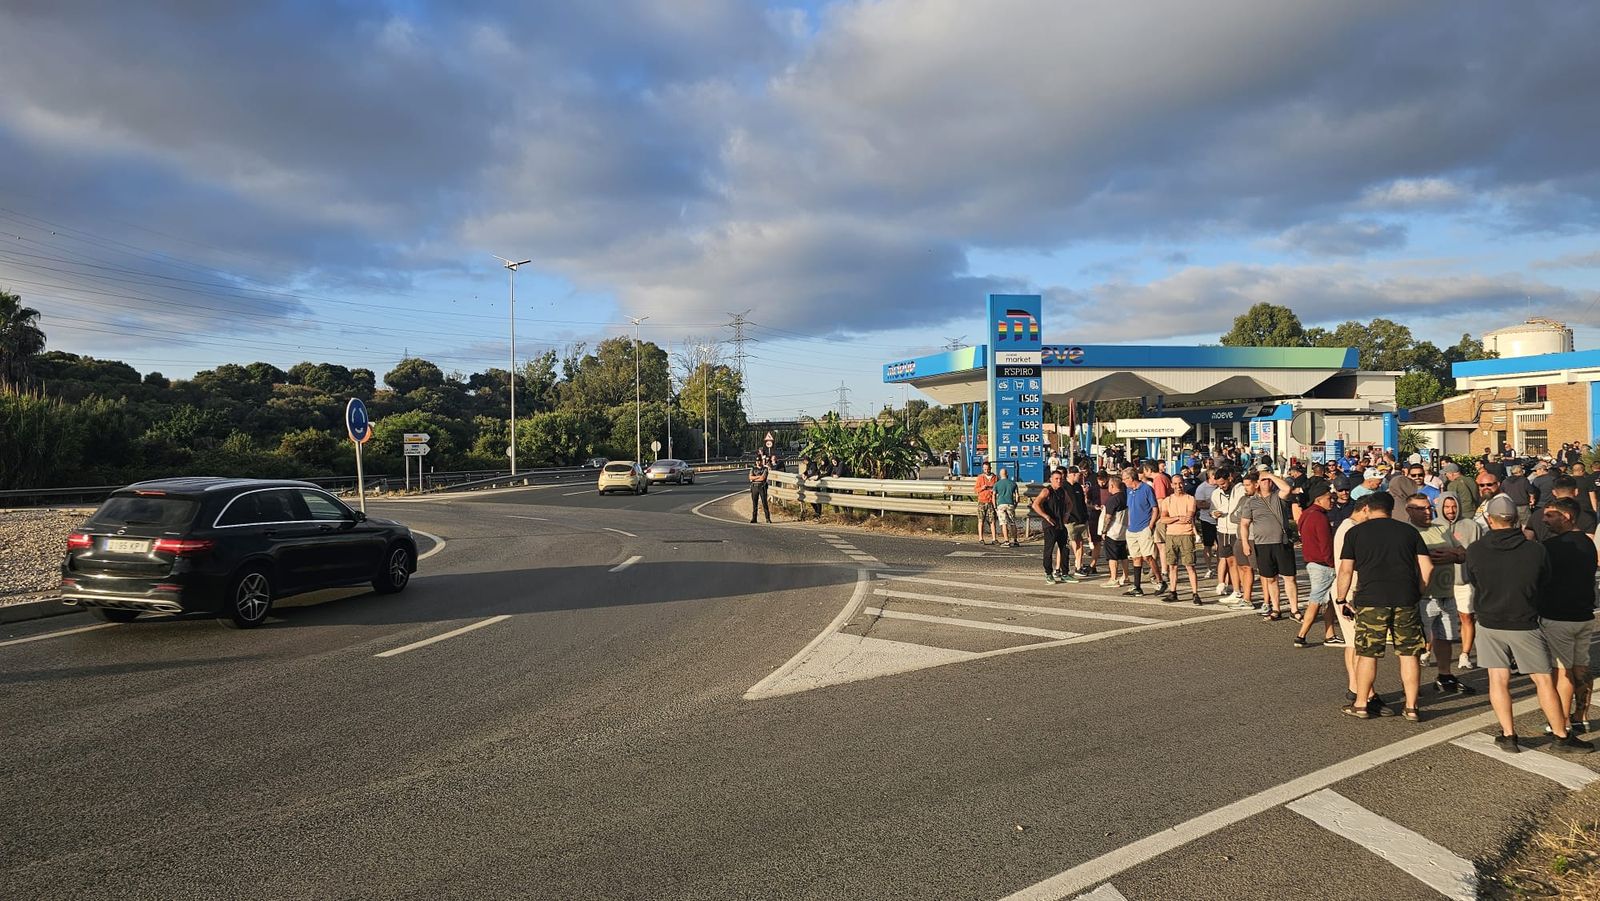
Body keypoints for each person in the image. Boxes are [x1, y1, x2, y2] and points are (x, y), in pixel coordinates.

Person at [1464, 495, 1593, 753]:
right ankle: (1560, 735)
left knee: (1497, 679)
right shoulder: (1535, 550)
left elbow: (1473, 580)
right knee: (1543, 680)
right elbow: (1543, 581)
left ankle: (1509, 735)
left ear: (1490, 519)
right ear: (1517, 520)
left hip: (1489, 620)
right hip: (1524, 620)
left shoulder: (1476, 549)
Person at [1336, 491, 1431, 722]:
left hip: (1371, 599)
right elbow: (1427, 567)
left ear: (1368, 507)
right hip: (1405, 598)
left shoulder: (1355, 532)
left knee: (1368, 653)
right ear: (1391, 509)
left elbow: (1346, 570)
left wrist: (1341, 599)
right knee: (1409, 653)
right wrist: (1418, 591)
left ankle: (1360, 704)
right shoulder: (1409, 532)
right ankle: (1411, 707)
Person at [1539, 497, 1598, 736]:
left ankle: (1560, 721)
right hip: (1584, 615)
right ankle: (1580, 717)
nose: (1545, 520)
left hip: (1558, 617)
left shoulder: (1552, 547)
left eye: (1550, 516)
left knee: (1561, 670)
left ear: (1567, 517)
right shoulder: (1587, 542)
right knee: (1581, 667)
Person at [1404, 492, 1472, 695]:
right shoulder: (1408, 532)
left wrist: (1452, 554)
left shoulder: (1440, 527)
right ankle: (1411, 684)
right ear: (1409, 510)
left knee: (1446, 637)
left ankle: (1445, 675)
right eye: (1421, 509)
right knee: (1420, 641)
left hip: (1446, 592)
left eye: (1429, 508)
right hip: (1424, 596)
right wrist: (1446, 556)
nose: (1427, 512)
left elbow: (1462, 553)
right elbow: (1422, 559)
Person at [1238, 469, 1299, 620]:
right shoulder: (1251, 502)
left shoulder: (1278, 496)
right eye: (1264, 480)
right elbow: (1244, 524)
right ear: (1257, 484)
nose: (1268, 482)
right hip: (1262, 544)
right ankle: (1276, 609)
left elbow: (1287, 489)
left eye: (1269, 480)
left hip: (1281, 542)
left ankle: (1294, 609)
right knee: (1270, 578)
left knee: (1289, 577)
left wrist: (1270, 475)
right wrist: (1245, 543)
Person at [1439, 494, 1483, 672]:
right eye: (1447, 507)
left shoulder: (1472, 526)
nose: (1451, 511)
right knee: (1437, 620)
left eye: (1454, 506)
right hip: (1440, 581)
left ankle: (1464, 654)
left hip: (1464, 580)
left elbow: (1478, 553)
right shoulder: (1434, 526)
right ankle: (1427, 650)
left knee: (1466, 617)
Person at [1294, 482, 1339, 648]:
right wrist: (1333, 564)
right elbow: (1325, 545)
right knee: (1317, 599)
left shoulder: (1306, 514)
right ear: (1319, 499)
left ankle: (1330, 633)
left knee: (1328, 599)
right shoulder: (1319, 517)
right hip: (1323, 564)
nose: (1332, 500)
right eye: (1329, 498)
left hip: (1312, 562)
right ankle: (1301, 635)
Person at [1032, 469, 1080, 584]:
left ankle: (1065, 573)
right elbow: (1035, 504)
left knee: (1064, 549)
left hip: (1061, 524)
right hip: (1050, 525)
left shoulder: (1063, 491)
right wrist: (1045, 516)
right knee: (1049, 550)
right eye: (1056, 479)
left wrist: (1067, 514)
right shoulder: (1046, 491)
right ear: (1051, 480)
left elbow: (1070, 503)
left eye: (1060, 479)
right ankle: (1048, 573)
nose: (1059, 481)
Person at [1159, 475, 1202, 604]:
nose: (1178, 486)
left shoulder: (1190, 499)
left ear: (1184, 483)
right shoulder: (1167, 501)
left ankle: (1195, 593)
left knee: (1190, 565)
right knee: (1172, 565)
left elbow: (1189, 516)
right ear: (1172, 485)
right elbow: (1163, 519)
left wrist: (1174, 518)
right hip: (1171, 535)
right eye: (1175, 484)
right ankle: (1173, 592)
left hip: (1186, 535)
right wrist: (1177, 518)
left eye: (1180, 483)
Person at [1121, 465, 1160, 597]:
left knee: (1147, 556)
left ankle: (1160, 580)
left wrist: (1150, 525)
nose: (1123, 481)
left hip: (1144, 527)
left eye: (1125, 479)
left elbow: (1155, 508)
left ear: (1131, 478)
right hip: (1132, 529)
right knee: (1136, 558)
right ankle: (1137, 586)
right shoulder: (1128, 490)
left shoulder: (1146, 489)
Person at [1100, 472, 1130, 586]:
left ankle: (1113, 578)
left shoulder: (1113, 499)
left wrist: (1104, 531)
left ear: (1112, 485)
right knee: (1123, 555)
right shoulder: (1125, 496)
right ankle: (1126, 576)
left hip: (1113, 531)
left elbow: (1108, 517)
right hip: (1124, 531)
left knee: (1112, 556)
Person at [1194, 469, 1219, 579]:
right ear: (1209, 477)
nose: (1216, 478)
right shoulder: (1202, 488)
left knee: (1220, 546)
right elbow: (1199, 504)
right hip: (1207, 520)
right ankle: (1209, 568)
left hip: (1220, 521)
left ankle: (1220, 567)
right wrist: (1212, 504)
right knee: (1207, 545)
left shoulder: (1220, 486)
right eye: (1214, 476)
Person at [994, 466, 1019, 548]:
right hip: (1010, 504)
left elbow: (993, 495)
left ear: (1000, 475)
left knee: (1003, 523)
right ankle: (1014, 540)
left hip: (1001, 504)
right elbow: (1017, 496)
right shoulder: (1013, 483)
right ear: (1007, 474)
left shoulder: (997, 484)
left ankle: (1006, 540)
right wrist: (1015, 504)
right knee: (1012, 522)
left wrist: (995, 506)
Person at [975, 462, 999, 546]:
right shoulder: (980, 477)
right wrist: (982, 488)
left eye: (988, 469)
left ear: (990, 468)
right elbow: (976, 490)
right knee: (981, 519)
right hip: (982, 500)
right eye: (985, 469)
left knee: (992, 520)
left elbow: (998, 488)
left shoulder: (995, 477)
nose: (986, 470)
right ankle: (981, 538)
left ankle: (994, 538)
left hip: (991, 501)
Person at [748, 454, 772, 523]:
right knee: (754, 503)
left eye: (759, 461)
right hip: (754, 487)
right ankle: (754, 518)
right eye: (757, 461)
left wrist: (754, 478)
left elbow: (763, 478)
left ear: (761, 461)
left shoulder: (765, 469)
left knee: (764, 502)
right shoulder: (753, 468)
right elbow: (750, 477)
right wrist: (758, 477)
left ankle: (767, 518)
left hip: (762, 486)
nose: (758, 462)